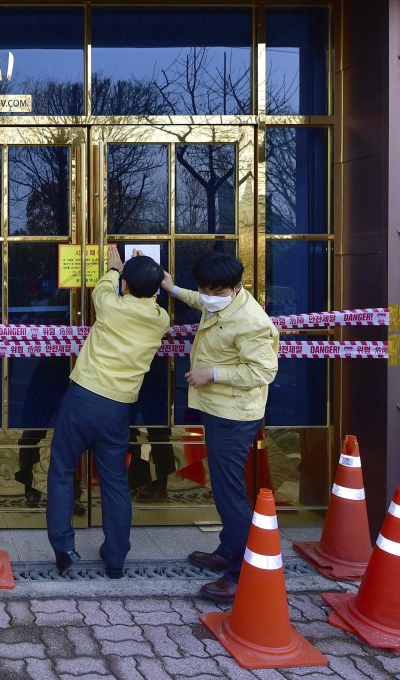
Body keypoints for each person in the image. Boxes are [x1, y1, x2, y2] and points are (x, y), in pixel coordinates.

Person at [161, 250, 279, 602]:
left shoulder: (250, 321)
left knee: (231, 497)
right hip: (219, 410)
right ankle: (228, 550)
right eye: (205, 289)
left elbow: (263, 371)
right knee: (225, 489)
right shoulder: (221, 301)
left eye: (217, 290)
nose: (208, 296)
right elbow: (204, 300)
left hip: (234, 416)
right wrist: (173, 289)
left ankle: (240, 573)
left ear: (236, 287)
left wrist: (212, 373)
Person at [46, 246, 170, 578]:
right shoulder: (161, 319)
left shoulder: (110, 305)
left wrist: (115, 268)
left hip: (83, 398)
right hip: (118, 407)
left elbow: (102, 288)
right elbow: (148, 298)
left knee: (61, 471)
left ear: (125, 285)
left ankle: (64, 549)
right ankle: (115, 557)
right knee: (115, 481)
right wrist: (147, 274)